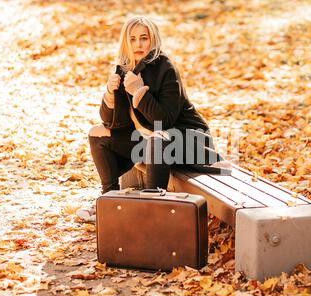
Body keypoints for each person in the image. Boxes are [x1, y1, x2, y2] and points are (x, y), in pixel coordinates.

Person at [76, 16, 230, 222]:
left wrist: (139, 92)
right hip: (152, 142)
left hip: (188, 141)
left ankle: (151, 210)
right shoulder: (124, 68)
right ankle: (108, 203)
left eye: (143, 38)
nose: (138, 44)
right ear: (125, 42)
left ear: (152, 40)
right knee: (98, 133)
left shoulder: (165, 68)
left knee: (157, 139)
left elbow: (165, 121)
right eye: (132, 39)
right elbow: (114, 123)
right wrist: (110, 95)